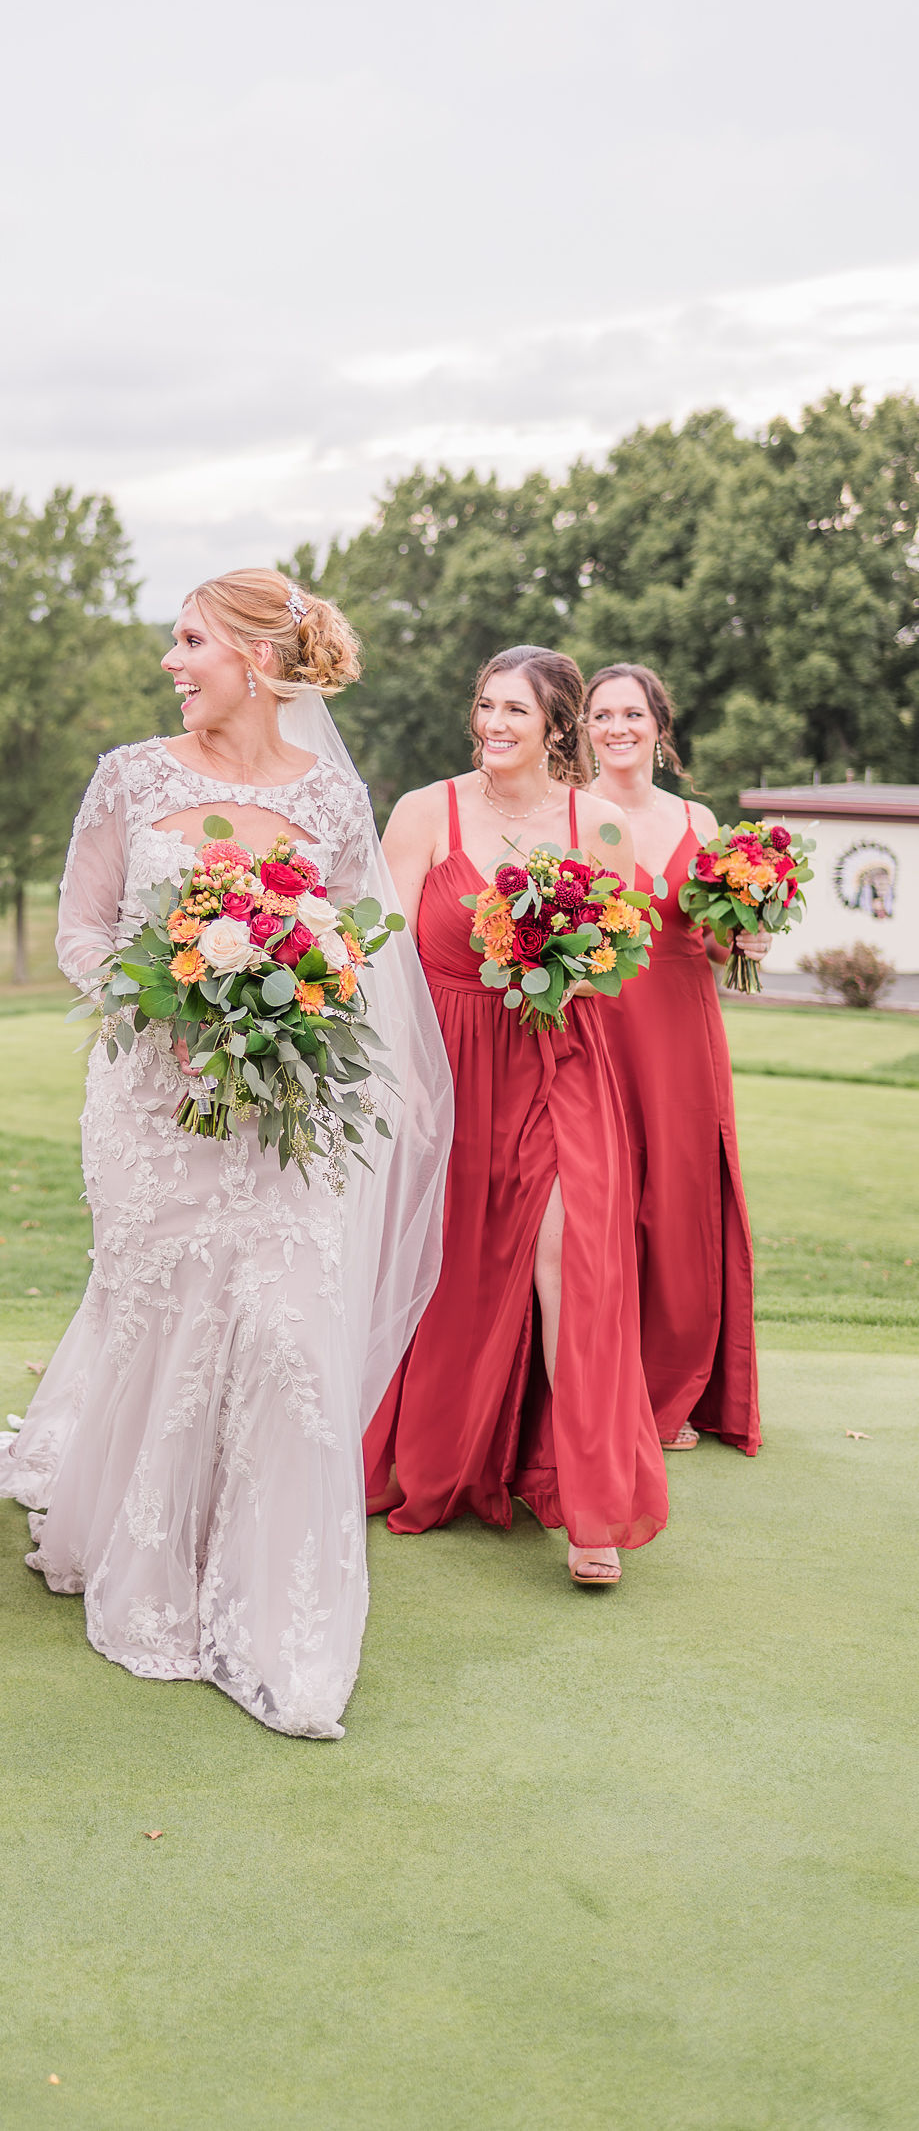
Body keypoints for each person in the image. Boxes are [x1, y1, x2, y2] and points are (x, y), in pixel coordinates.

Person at [0, 570, 453, 1739]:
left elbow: (354, 954)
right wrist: (164, 1009)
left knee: (282, 1328)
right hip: (148, 1104)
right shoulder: (129, 779)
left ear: (253, 658)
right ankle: (144, 1543)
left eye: (190, 640)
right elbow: (84, 933)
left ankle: (273, 1592)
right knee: (165, 1310)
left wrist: (280, 1011)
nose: (171, 661)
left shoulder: (334, 800)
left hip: (277, 1108)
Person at [364, 644, 668, 1585]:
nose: (494, 726)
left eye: (516, 714)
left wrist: (575, 949)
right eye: (485, 707)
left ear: (556, 728)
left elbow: (627, 958)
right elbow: (380, 954)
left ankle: (589, 1510)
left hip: (561, 1063)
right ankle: (446, 1457)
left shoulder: (597, 824)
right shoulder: (426, 811)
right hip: (449, 1065)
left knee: (564, 1257)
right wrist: (403, 1078)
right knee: (448, 1262)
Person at [584, 662, 763, 1454]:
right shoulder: (566, 814)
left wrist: (749, 934)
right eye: (600, 716)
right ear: (582, 730)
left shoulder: (698, 817)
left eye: (631, 714)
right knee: (602, 1203)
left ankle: (672, 1390)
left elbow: (719, 939)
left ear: (659, 725)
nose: (616, 728)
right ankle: (598, 1389)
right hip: (595, 1025)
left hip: (684, 1030)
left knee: (681, 1206)